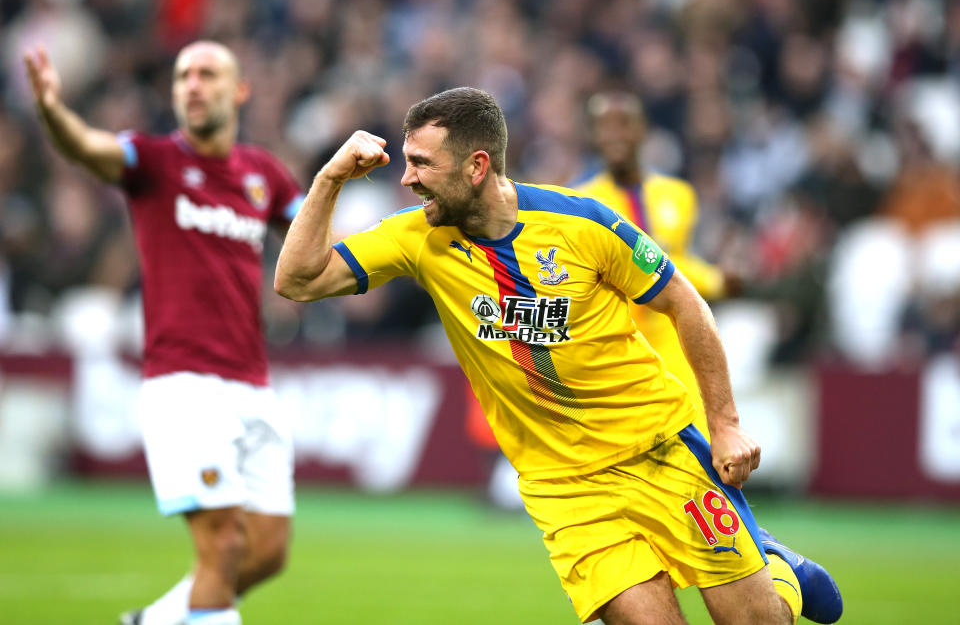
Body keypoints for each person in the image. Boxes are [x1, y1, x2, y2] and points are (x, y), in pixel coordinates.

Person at [274, 87, 842, 624]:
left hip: (658, 450)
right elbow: (297, 281)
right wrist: (328, 178)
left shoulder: (582, 223)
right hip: (564, 489)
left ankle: (775, 571)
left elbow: (685, 303)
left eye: (422, 164)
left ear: (476, 167)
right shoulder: (416, 239)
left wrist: (724, 424)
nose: (406, 179)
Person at [24, 41, 303, 625]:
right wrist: (54, 111)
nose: (193, 85)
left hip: (252, 382)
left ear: (240, 90)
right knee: (223, 544)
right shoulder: (154, 161)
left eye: (207, 74)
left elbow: (313, 235)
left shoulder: (264, 176)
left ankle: (153, 620)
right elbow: (88, 147)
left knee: (267, 552)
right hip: (184, 384)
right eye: (183, 76)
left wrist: (335, 187)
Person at [573, 90, 736, 436]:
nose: (615, 133)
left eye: (624, 124)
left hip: (675, 338)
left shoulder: (678, 195)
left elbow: (675, 262)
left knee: (698, 438)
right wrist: (716, 280)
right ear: (593, 135)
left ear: (642, 130)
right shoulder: (579, 202)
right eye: (604, 126)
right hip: (616, 347)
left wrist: (715, 278)